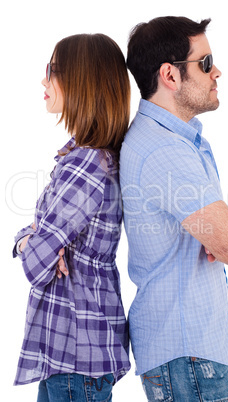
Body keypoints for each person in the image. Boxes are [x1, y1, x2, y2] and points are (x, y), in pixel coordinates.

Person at [119, 16, 228, 401]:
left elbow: (226, 239)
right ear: (170, 75)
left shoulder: (173, 140)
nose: (217, 71)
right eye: (204, 62)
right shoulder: (165, 150)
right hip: (187, 359)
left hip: (187, 357)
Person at [13, 33, 131, 401]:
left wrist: (33, 240)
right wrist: (31, 237)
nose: (43, 80)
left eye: (52, 70)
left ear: (81, 80)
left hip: (74, 363)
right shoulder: (92, 159)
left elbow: (35, 264)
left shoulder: (84, 164)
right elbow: (37, 243)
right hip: (78, 359)